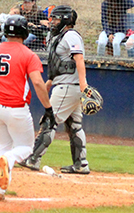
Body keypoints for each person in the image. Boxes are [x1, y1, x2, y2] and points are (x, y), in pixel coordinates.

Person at [0, 15, 55, 201]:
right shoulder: (28, 54)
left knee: (3, 144)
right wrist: (48, 108)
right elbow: (38, 83)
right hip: (16, 109)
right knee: (26, 147)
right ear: (25, 32)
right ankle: (10, 161)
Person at [19, 5, 91, 175]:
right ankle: (81, 164)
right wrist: (50, 81)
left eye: (56, 19)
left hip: (68, 87)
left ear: (66, 20)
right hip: (65, 85)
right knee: (74, 125)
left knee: (49, 121)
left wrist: (83, 85)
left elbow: (79, 59)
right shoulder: (58, 36)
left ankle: (33, 158)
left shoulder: (71, 35)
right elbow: (60, 63)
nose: (52, 22)